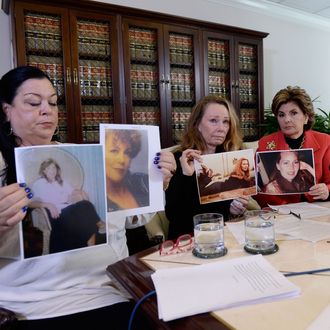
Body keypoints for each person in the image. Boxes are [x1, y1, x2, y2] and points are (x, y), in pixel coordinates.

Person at [0, 66, 175, 329]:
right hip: (38, 302)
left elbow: (132, 220)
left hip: (111, 288)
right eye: (33, 102)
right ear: (6, 111)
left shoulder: (81, 156)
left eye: (52, 102)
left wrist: (156, 184)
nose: (46, 110)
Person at [163, 95, 249, 240]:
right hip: (187, 240)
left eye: (226, 122)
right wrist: (186, 175)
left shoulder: (229, 158)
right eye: (213, 121)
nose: (221, 128)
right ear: (197, 124)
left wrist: (235, 209)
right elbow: (173, 215)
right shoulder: (179, 159)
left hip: (223, 237)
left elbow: (227, 211)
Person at [256, 86, 330, 207]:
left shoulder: (325, 141)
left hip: (316, 208)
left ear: (306, 117)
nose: (287, 120)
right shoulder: (265, 144)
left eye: (293, 113)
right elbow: (257, 188)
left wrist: (326, 190)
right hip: (279, 211)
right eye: (281, 115)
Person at [30, 158, 103, 254]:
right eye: (49, 168)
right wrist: (48, 205)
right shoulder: (38, 184)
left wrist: (81, 192)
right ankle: (99, 225)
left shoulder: (61, 182)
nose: (52, 171)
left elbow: (73, 191)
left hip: (68, 209)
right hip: (55, 214)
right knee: (85, 206)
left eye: (54, 168)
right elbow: (29, 203)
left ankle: (91, 249)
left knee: (85, 211)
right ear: (44, 170)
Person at [105, 129, 149, 212]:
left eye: (127, 152)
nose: (122, 160)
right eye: (114, 151)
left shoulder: (143, 182)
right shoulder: (95, 198)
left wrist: (164, 183)